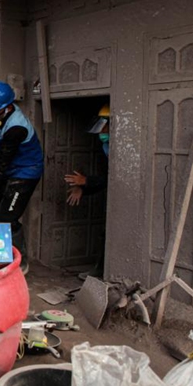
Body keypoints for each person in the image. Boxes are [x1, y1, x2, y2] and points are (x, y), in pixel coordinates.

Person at [0, 80, 44, 275]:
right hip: (11, 169)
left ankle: (20, 263)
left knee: (8, 216)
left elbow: (4, 160)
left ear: (7, 107)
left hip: (25, 172)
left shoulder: (18, 127)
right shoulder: (4, 116)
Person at [65, 104, 110, 280]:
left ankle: (101, 272)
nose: (101, 132)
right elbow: (107, 178)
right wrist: (84, 188)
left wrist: (86, 182)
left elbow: (114, 179)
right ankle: (99, 270)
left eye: (104, 126)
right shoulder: (106, 146)